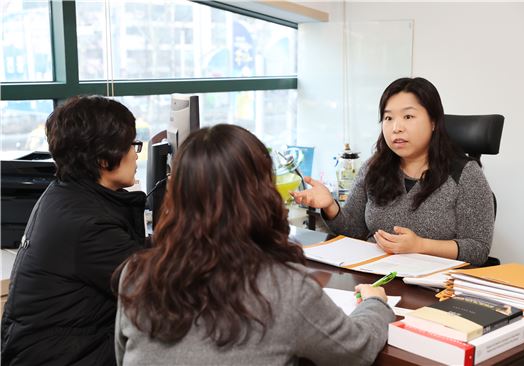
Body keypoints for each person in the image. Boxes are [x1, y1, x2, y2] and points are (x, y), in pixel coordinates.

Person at [114, 124, 395, 366]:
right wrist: (375, 303)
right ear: (261, 194)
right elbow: (355, 352)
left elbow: (124, 355)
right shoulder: (284, 287)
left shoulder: (137, 273)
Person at [1, 96, 147, 365]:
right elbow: (159, 282)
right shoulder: (86, 223)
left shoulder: (68, 193)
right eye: (130, 145)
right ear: (103, 158)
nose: (135, 153)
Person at [292, 77, 494, 266]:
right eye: (388, 118)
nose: (396, 128)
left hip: (433, 285)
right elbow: (354, 230)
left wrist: (421, 246)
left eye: (408, 116)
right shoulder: (374, 167)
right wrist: (330, 206)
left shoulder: (465, 174)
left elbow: (478, 249)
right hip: (375, 275)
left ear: (433, 122)